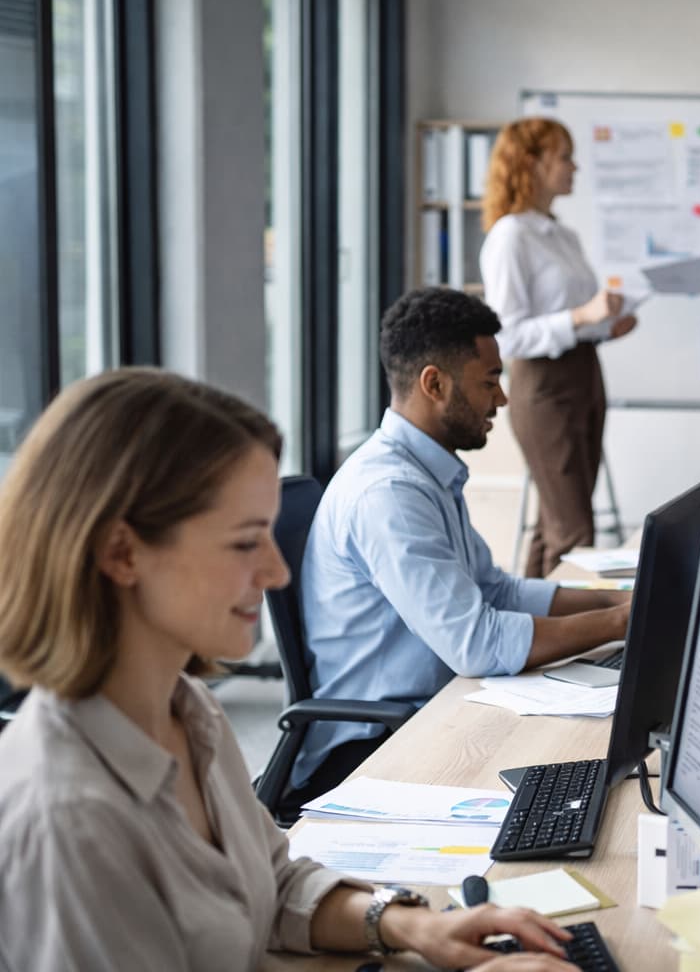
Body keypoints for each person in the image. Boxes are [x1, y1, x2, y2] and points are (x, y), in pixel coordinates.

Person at [0, 368, 577, 970]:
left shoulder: (186, 707)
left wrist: (416, 928)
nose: (277, 573)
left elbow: (270, 886)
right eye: (247, 541)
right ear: (123, 554)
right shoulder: (68, 823)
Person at [295, 289, 630, 801]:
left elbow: (496, 591)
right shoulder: (389, 494)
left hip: (437, 705)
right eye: (491, 380)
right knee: (580, 777)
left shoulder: (425, 473)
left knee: (591, 764)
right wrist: (621, 623)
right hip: (373, 744)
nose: (502, 398)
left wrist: (619, 599)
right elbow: (478, 643)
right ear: (435, 383)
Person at [480, 117, 637, 577]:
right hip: (544, 388)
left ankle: (528, 636)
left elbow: (575, 320)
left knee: (555, 527)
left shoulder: (561, 234)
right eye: (564, 156)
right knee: (574, 532)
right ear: (531, 164)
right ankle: (572, 642)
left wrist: (604, 327)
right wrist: (583, 317)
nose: (575, 167)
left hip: (584, 373)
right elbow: (507, 335)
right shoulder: (510, 236)